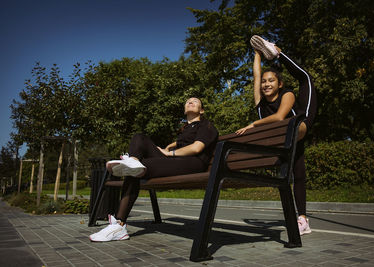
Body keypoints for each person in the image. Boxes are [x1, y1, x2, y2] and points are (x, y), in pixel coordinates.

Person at [90, 97, 219, 242]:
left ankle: (119, 224)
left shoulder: (206, 125)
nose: (190, 102)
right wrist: (169, 146)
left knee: (137, 170)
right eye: (188, 101)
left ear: (201, 110)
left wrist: (169, 152)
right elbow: (182, 142)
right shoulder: (185, 128)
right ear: (184, 110)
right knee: (139, 139)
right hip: (176, 161)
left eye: (195, 101)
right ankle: (133, 161)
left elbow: (197, 147)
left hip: (193, 164)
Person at [236, 35, 317, 235]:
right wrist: (256, 54)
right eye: (264, 82)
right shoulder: (260, 103)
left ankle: (277, 52)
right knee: (297, 176)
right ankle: (302, 220)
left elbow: (281, 117)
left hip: (301, 123)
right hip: (285, 142)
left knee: (306, 79)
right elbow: (256, 76)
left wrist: (254, 124)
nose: (265, 84)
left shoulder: (287, 94)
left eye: (271, 80)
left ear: (279, 84)